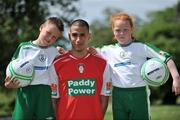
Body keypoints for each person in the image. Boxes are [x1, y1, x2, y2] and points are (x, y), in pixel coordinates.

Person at [90, 12, 180, 120]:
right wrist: (64, 53)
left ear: (131, 29)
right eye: (118, 30)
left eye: (125, 29)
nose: (122, 33)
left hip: (139, 93)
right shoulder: (108, 50)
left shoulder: (142, 47)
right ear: (113, 31)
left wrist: (176, 77)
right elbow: (86, 52)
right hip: (118, 95)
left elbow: (167, 58)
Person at [4, 17, 64, 120]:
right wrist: (8, 84)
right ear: (41, 27)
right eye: (48, 33)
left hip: (46, 94)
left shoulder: (55, 52)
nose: (50, 38)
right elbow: (12, 70)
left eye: (54, 37)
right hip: (26, 93)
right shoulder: (23, 48)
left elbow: (72, 59)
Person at [52, 19, 112, 120]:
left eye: (82, 35)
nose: (78, 40)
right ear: (69, 36)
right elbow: (53, 99)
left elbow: (105, 97)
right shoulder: (57, 64)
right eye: (75, 35)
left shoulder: (103, 64)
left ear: (89, 36)